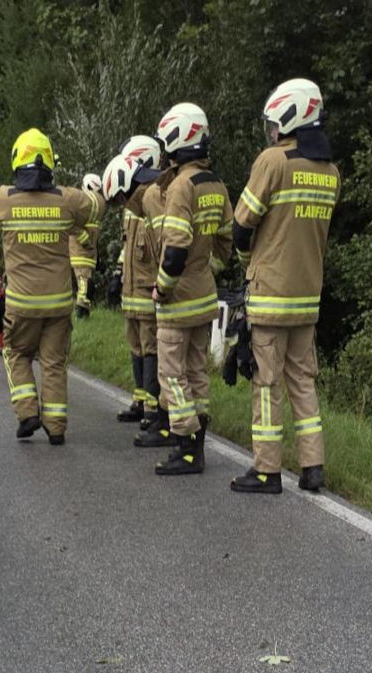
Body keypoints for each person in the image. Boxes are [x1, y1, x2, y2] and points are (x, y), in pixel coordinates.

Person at [229, 78, 340, 494]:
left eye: (275, 123)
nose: (272, 132)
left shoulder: (272, 162)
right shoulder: (331, 172)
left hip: (271, 296)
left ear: (291, 118)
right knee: (303, 381)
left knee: (266, 384)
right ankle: (313, 467)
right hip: (307, 297)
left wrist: (247, 262)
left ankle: (266, 470)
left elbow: (242, 227)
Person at [0, 128, 100, 446]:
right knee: (53, 362)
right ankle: (57, 427)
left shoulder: (2, 198)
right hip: (59, 303)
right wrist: (79, 223)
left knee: (16, 353)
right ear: (49, 162)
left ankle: (27, 413)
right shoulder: (67, 199)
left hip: (21, 304)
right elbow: (96, 205)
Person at [150, 103, 234, 475]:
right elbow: (227, 242)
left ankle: (185, 446)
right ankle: (197, 445)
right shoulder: (215, 183)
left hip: (179, 298)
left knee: (172, 374)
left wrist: (162, 290)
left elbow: (176, 247)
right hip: (204, 295)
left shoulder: (181, 186)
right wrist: (206, 270)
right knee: (198, 370)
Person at [104, 136, 164, 429]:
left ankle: (154, 408)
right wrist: (117, 273)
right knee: (136, 347)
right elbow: (126, 247)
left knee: (151, 348)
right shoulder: (132, 205)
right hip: (131, 290)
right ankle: (140, 401)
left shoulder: (155, 199)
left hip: (147, 289)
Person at [72, 173, 102, 319]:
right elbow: (74, 227)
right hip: (81, 253)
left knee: (85, 282)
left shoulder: (92, 206)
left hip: (89, 254)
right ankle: (81, 311)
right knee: (84, 282)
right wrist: (85, 240)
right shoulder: (83, 206)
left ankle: (83, 309)